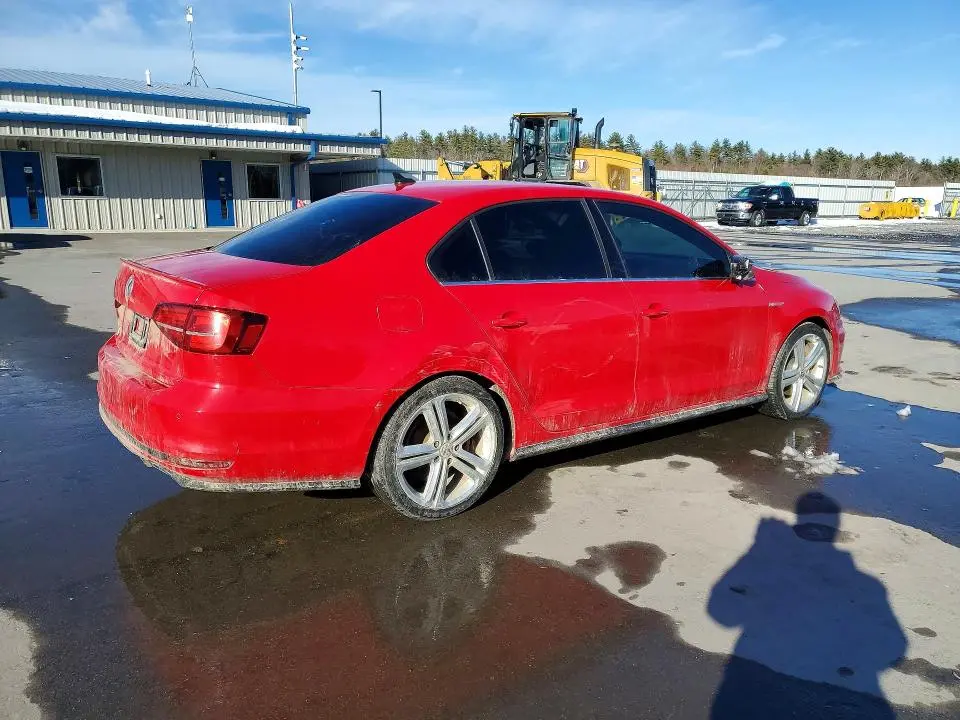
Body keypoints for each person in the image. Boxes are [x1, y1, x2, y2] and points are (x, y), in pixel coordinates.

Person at [708, 492, 906, 719]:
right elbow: (894, 646)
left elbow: (722, 614)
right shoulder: (868, 585)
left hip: (760, 683)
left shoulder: (866, 586)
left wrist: (757, 549)